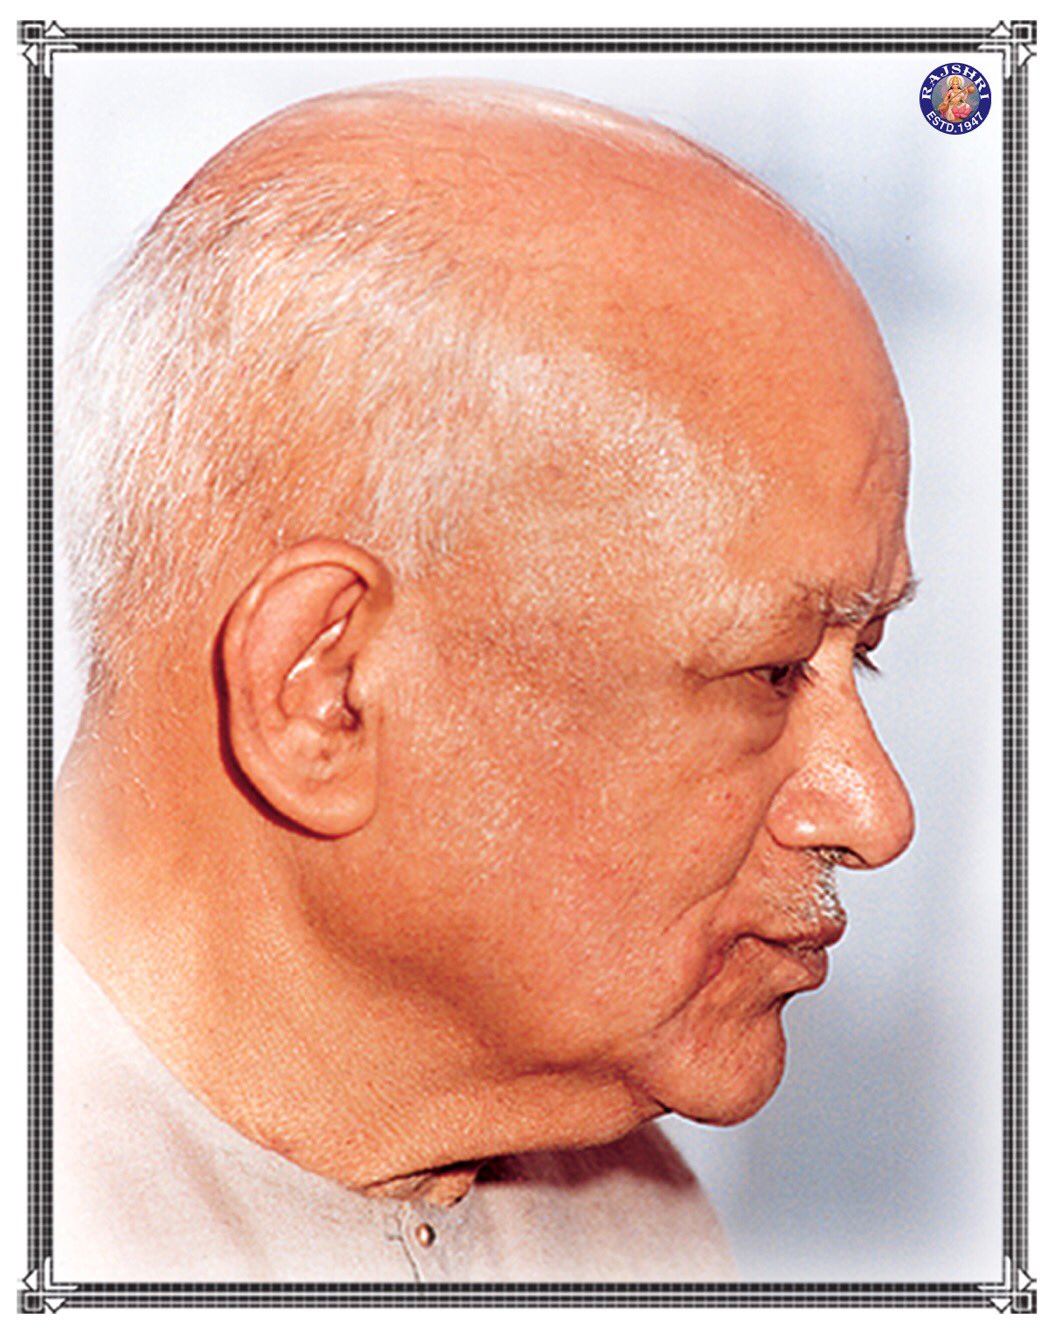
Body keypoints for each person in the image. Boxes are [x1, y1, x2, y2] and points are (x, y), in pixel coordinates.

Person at [53, 80, 916, 1283]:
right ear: (328, 690)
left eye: (858, 652)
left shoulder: (634, 1225)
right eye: (771, 669)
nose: (875, 813)